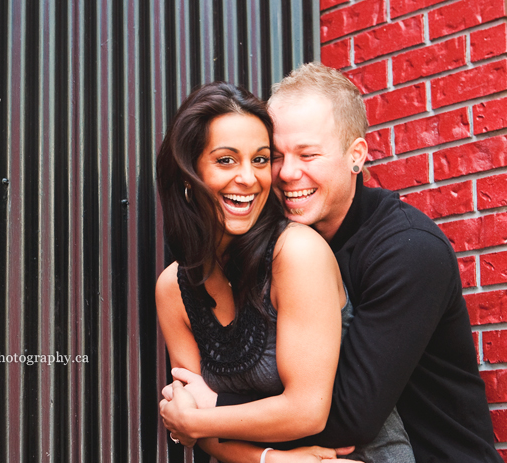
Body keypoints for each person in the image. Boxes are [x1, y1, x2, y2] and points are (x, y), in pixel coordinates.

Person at [161, 63, 501, 462]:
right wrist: (269, 457)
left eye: (308, 154)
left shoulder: (408, 249)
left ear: (356, 156)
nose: (287, 173)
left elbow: (348, 416)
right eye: (277, 156)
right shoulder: (265, 252)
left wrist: (208, 410)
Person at [155, 81, 413, 462]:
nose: (249, 178)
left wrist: (203, 418)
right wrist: (271, 460)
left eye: (260, 159)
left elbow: (306, 410)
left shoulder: (295, 252)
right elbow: (198, 428)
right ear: (188, 174)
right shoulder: (172, 288)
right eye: (226, 160)